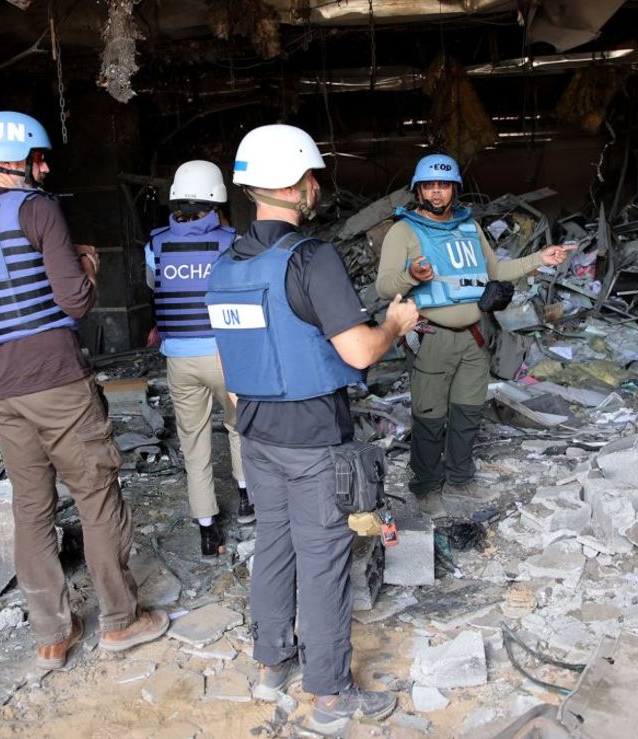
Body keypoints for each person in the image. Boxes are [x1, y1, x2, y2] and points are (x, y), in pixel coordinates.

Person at [0, 111, 169, 670]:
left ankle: (50, 635)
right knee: (95, 493)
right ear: (14, 161)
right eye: (39, 157)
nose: (46, 166)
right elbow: (76, 303)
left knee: (31, 507)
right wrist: (85, 264)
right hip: (57, 382)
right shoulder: (36, 209)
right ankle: (121, 620)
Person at [205, 124, 419, 736]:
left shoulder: (225, 265)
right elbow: (356, 352)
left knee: (275, 545)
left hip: (256, 435)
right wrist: (397, 324)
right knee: (323, 559)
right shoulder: (310, 256)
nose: (317, 187)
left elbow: (232, 368)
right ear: (300, 185)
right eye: (313, 178)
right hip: (311, 438)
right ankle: (331, 694)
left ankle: (272, 662)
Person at [375, 153, 574, 519]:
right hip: (431, 337)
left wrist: (540, 258)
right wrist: (412, 276)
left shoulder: (469, 228)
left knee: (468, 412)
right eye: (430, 186)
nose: (437, 193)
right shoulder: (403, 231)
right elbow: (385, 285)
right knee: (430, 417)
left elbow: (496, 268)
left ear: (454, 190)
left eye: (444, 185)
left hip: (473, 336)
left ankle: (460, 479)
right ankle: (425, 487)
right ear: (419, 190)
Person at [145, 160, 253, 557]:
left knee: (194, 443)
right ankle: (246, 499)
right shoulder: (232, 241)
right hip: (226, 355)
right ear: (216, 200)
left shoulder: (155, 243)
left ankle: (207, 528)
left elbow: (153, 286)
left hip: (180, 359)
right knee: (241, 426)